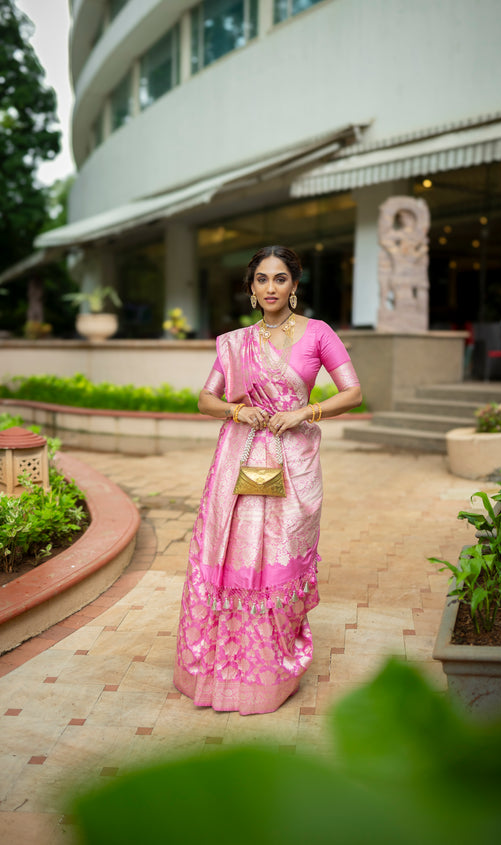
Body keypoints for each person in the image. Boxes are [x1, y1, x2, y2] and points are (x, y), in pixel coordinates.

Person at [173, 245, 362, 715]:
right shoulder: (235, 342)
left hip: (292, 462)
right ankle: (222, 665)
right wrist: (239, 410)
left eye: (280, 279)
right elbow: (205, 400)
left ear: (295, 286)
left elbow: (353, 392)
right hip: (238, 463)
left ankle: (272, 664)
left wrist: (304, 411)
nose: (271, 287)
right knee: (233, 554)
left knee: (279, 561)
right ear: (251, 287)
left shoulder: (318, 334)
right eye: (262, 279)